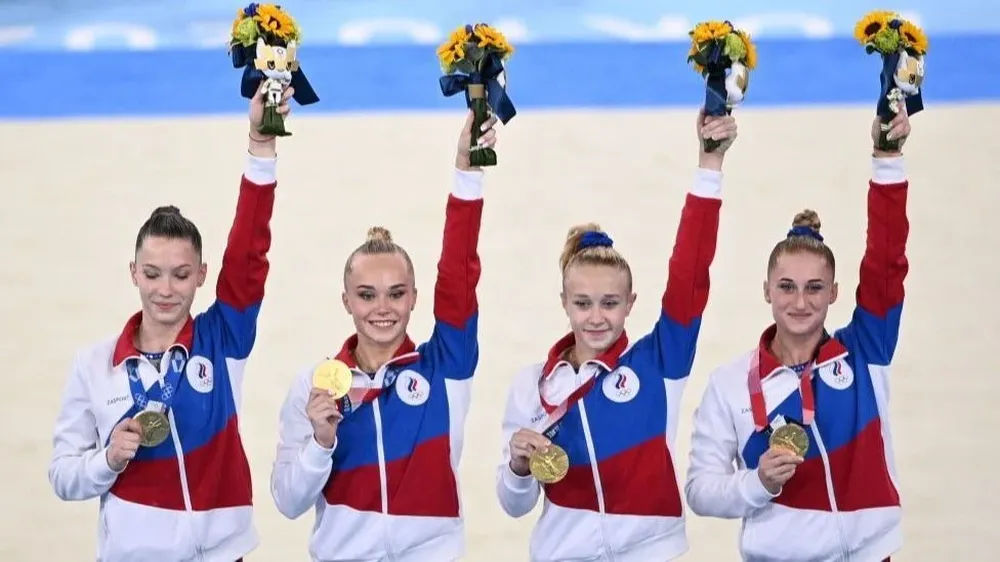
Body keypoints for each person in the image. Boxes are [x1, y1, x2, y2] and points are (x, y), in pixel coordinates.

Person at [47, 83, 293, 561]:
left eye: (181, 275)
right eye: (153, 274)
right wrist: (107, 459)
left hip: (224, 553)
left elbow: (248, 255)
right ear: (134, 273)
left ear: (201, 275)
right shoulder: (95, 365)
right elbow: (62, 475)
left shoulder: (222, 341)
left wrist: (261, 146)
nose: (166, 289)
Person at [495, 109, 738, 561]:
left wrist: (710, 167)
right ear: (564, 303)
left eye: (610, 303)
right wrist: (517, 467)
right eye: (582, 303)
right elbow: (514, 505)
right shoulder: (533, 386)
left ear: (630, 304)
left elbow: (690, 274)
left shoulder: (659, 364)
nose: (596, 317)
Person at [683, 108, 913, 562]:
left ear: (834, 293)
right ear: (767, 290)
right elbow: (700, 490)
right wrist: (758, 483)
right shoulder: (731, 385)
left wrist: (887, 157)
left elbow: (887, 261)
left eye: (814, 288)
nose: (800, 302)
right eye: (786, 287)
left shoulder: (865, 353)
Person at [269, 111, 498, 562]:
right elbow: (288, 502)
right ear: (346, 301)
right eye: (366, 295)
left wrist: (466, 169)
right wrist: (320, 441)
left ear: (415, 297)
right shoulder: (315, 386)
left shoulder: (445, 370)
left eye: (396, 294)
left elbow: (459, 275)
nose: (382, 309)